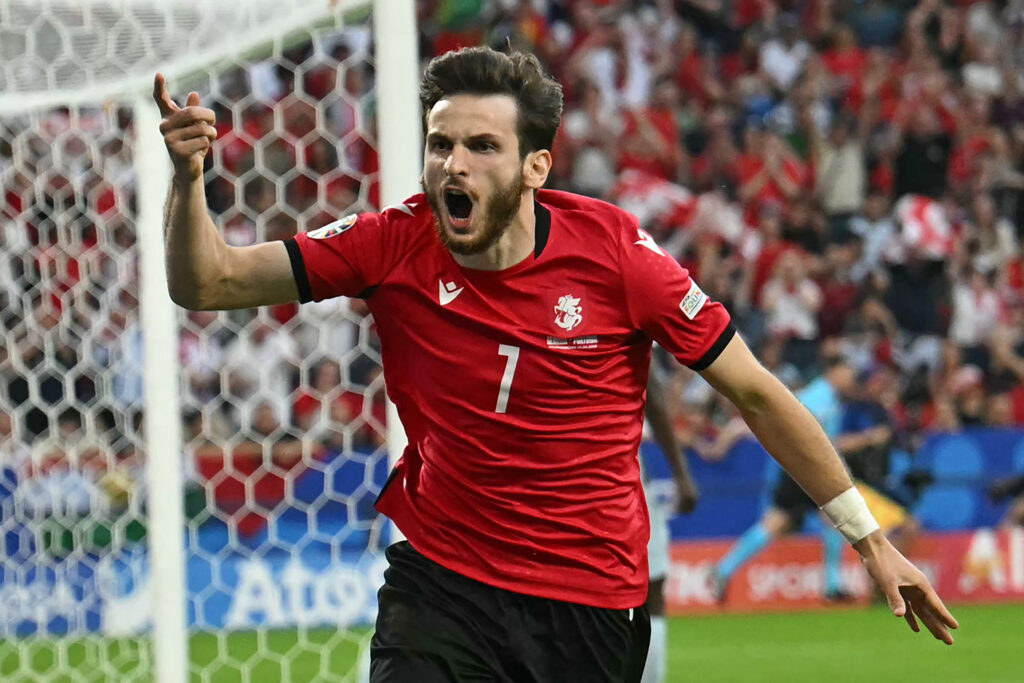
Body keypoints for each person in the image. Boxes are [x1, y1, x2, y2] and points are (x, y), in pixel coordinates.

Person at [154, 46, 957, 682]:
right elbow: (207, 280)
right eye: (440, 145)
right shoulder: (392, 242)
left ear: (535, 166)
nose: (452, 166)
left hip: (588, 603)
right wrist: (189, 180)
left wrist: (868, 538)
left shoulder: (617, 257)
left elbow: (753, 389)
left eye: (481, 146)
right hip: (443, 579)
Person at [709, 356, 857, 603]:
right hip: (805, 467)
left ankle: (723, 569)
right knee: (825, 518)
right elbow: (803, 425)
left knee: (789, 521)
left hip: (805, 467)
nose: (851, 378)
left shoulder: (830, 396)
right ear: (834, 370)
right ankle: (831, 586)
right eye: (848, 371)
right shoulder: (820, 394)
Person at [640, 363, 698, 683]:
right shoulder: (617, 317)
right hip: (619, 478)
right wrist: (681, 472)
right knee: (651, 594)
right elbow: (654, 396)